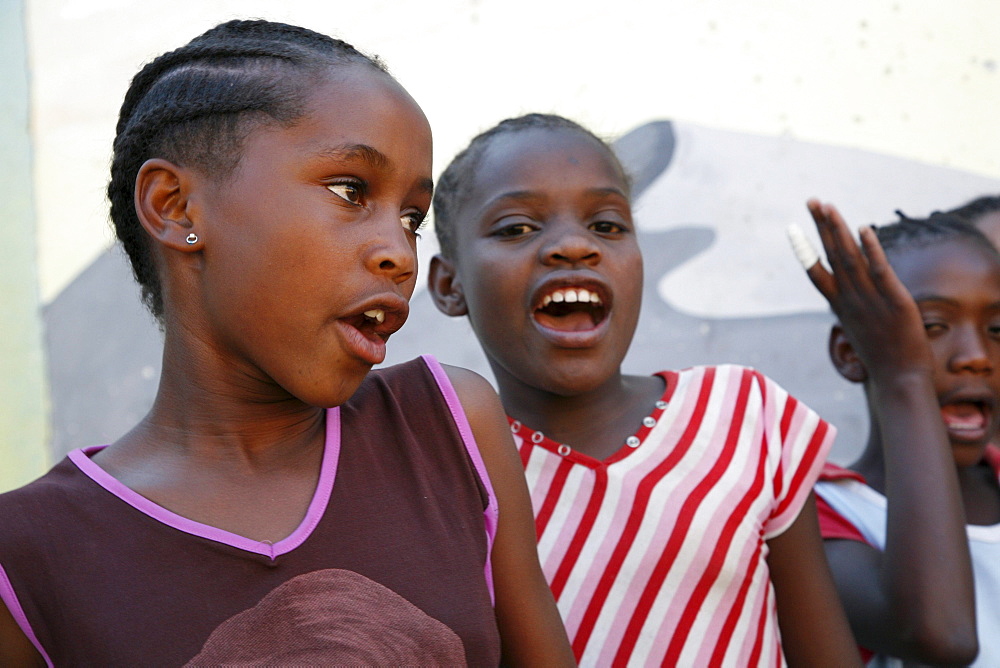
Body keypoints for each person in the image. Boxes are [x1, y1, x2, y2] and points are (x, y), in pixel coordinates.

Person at [0, 21, 573, 666]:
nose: (400, 253)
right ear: (175, 206)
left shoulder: (447, 430)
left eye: (411, 218)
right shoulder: (28, 556)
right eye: (350, 191)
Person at [427, 113, 859, 667]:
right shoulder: (447, 479)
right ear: (449, 284)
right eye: (516, 228)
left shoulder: (744, 415)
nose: (572, 247)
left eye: (607, 225)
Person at [802, 205, 996, 666]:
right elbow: (941, 637)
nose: (975, 356)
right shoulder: (816, 520)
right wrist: (904, 377)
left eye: (998, 330)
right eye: (931, 327)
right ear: (852, 354)